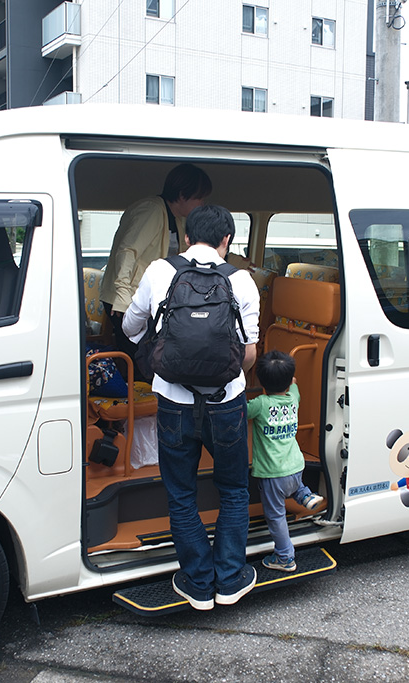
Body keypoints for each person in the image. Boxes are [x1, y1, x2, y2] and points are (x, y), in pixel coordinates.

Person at [122, 204, 260, 611]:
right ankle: (231, 578)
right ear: (227, 240)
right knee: (234, 489)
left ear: (185, 238)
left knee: (181, 493)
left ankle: (198, 582)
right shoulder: (243, 281)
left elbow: (131, 328)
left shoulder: (159, 271)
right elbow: (248, 355)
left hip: (173, 403)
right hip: (227, 404)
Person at [101, 163, 212, 368]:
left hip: (141, 297)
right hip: (127, 297)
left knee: (144, 354)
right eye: (200, 198)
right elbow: (127, 252)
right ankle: (140, 398)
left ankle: (143, 396)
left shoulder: (176, 219)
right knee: (141, 357)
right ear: (182, 194)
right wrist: (123, 294)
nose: (202, 204)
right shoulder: (152, 210)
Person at [247, 350, 324, 573]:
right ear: (290, 381)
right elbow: (295, 384)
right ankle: (305, 495)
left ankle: (285, 557)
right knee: (294, 487)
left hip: (273, 474)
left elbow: (240, 411)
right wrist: (292, 382)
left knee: (276, 516)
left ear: (261, 381)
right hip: (295, 466)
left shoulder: (260, 404)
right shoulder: (293, 397)